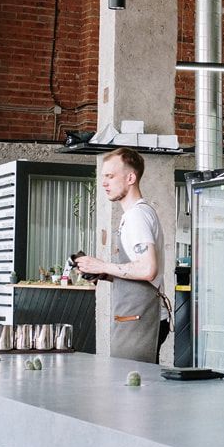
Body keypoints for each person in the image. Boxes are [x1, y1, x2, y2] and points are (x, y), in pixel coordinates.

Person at [74, 148, 170, 363]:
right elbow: (138, 269)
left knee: (133, 388)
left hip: (141, 319)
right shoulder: (134, 214)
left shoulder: (137, 216)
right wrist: (102, 273)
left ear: (130, 178)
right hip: (136, 317)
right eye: (103, 177)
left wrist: (103, 266)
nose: (104, 183)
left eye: (110, 176)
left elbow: (147, 269)